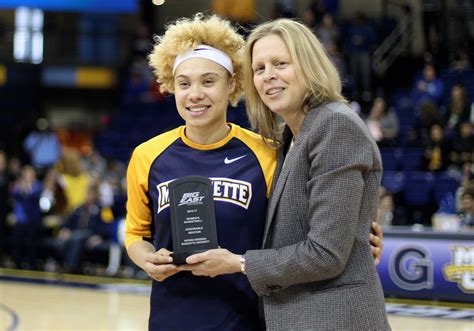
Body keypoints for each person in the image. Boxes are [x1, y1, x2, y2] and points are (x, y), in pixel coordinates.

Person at [125, 14, 384, 331]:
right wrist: (146, 258)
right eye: (260, 68)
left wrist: (357, 239)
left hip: (257, 315)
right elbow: (136, 233)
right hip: (176, 313)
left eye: (208, 81)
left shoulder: (277, 146)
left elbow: (322, 243)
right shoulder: (148, 155)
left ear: (232, 84)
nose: (195, 93)